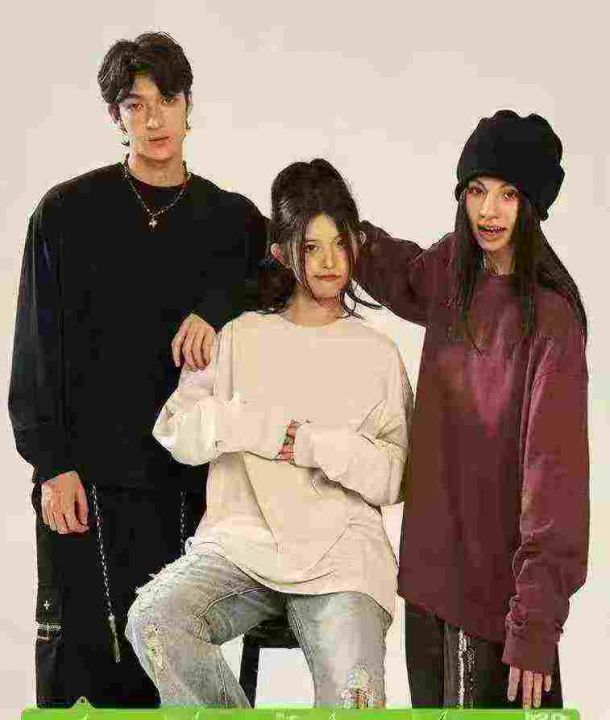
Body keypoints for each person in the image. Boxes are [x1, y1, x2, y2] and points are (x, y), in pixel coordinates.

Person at [9, 32, 266, 708]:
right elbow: (35, 346)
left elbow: (281, 283)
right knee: (80, 665)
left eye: (167, 100)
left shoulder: (233, 221)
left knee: (172, 668)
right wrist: (51, 465)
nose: (154, 120)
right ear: (115, 116)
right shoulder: (65, 214)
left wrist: (215, 309)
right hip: (84, 482)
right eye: (135, 105)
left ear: (189, 106)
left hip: (188, 485)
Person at [125, 158, 413, 707]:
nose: (329, 262)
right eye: (311, 247)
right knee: (154, 621)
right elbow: (177, 431)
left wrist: (307, 442)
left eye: (340, 243)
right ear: (282, 253)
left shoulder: (378, 353)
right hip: (241, 545)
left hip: (343, 559)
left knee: (354, 697)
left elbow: (394, 477)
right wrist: (250, 426)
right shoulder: (237, 334)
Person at [354, 110, 589, 710]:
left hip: (493, 598)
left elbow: (554, 486)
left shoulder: (551, 320)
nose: (489, 211)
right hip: (428, 583)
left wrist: (535, 624)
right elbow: (399, 274)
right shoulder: (451, 272)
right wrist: (328, 222)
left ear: (533, 206)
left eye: (508, 194)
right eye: (477, 191)